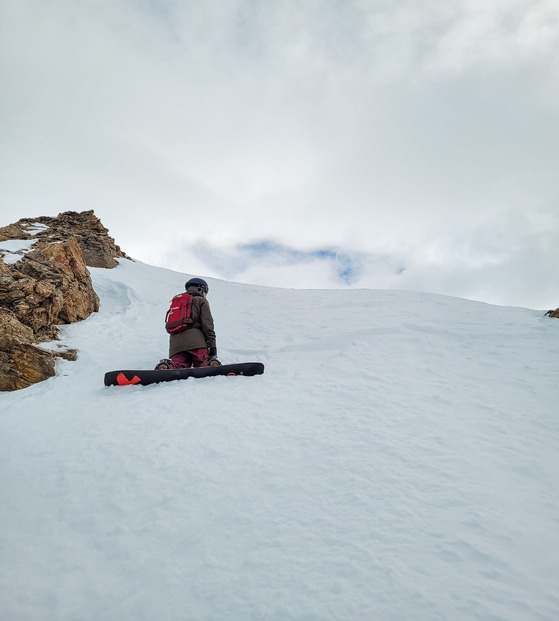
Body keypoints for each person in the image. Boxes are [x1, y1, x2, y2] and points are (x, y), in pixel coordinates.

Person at [155, 277, 219, 370]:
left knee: (177, 365)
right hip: (196, 342)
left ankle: (165, 367)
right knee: (203, 363)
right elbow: (208, 325)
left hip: (175, 344)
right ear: (200, 289)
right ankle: (213, 364)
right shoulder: (201, 300)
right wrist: (213, 348)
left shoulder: (178, 301)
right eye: (205, 291)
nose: (205, 294)